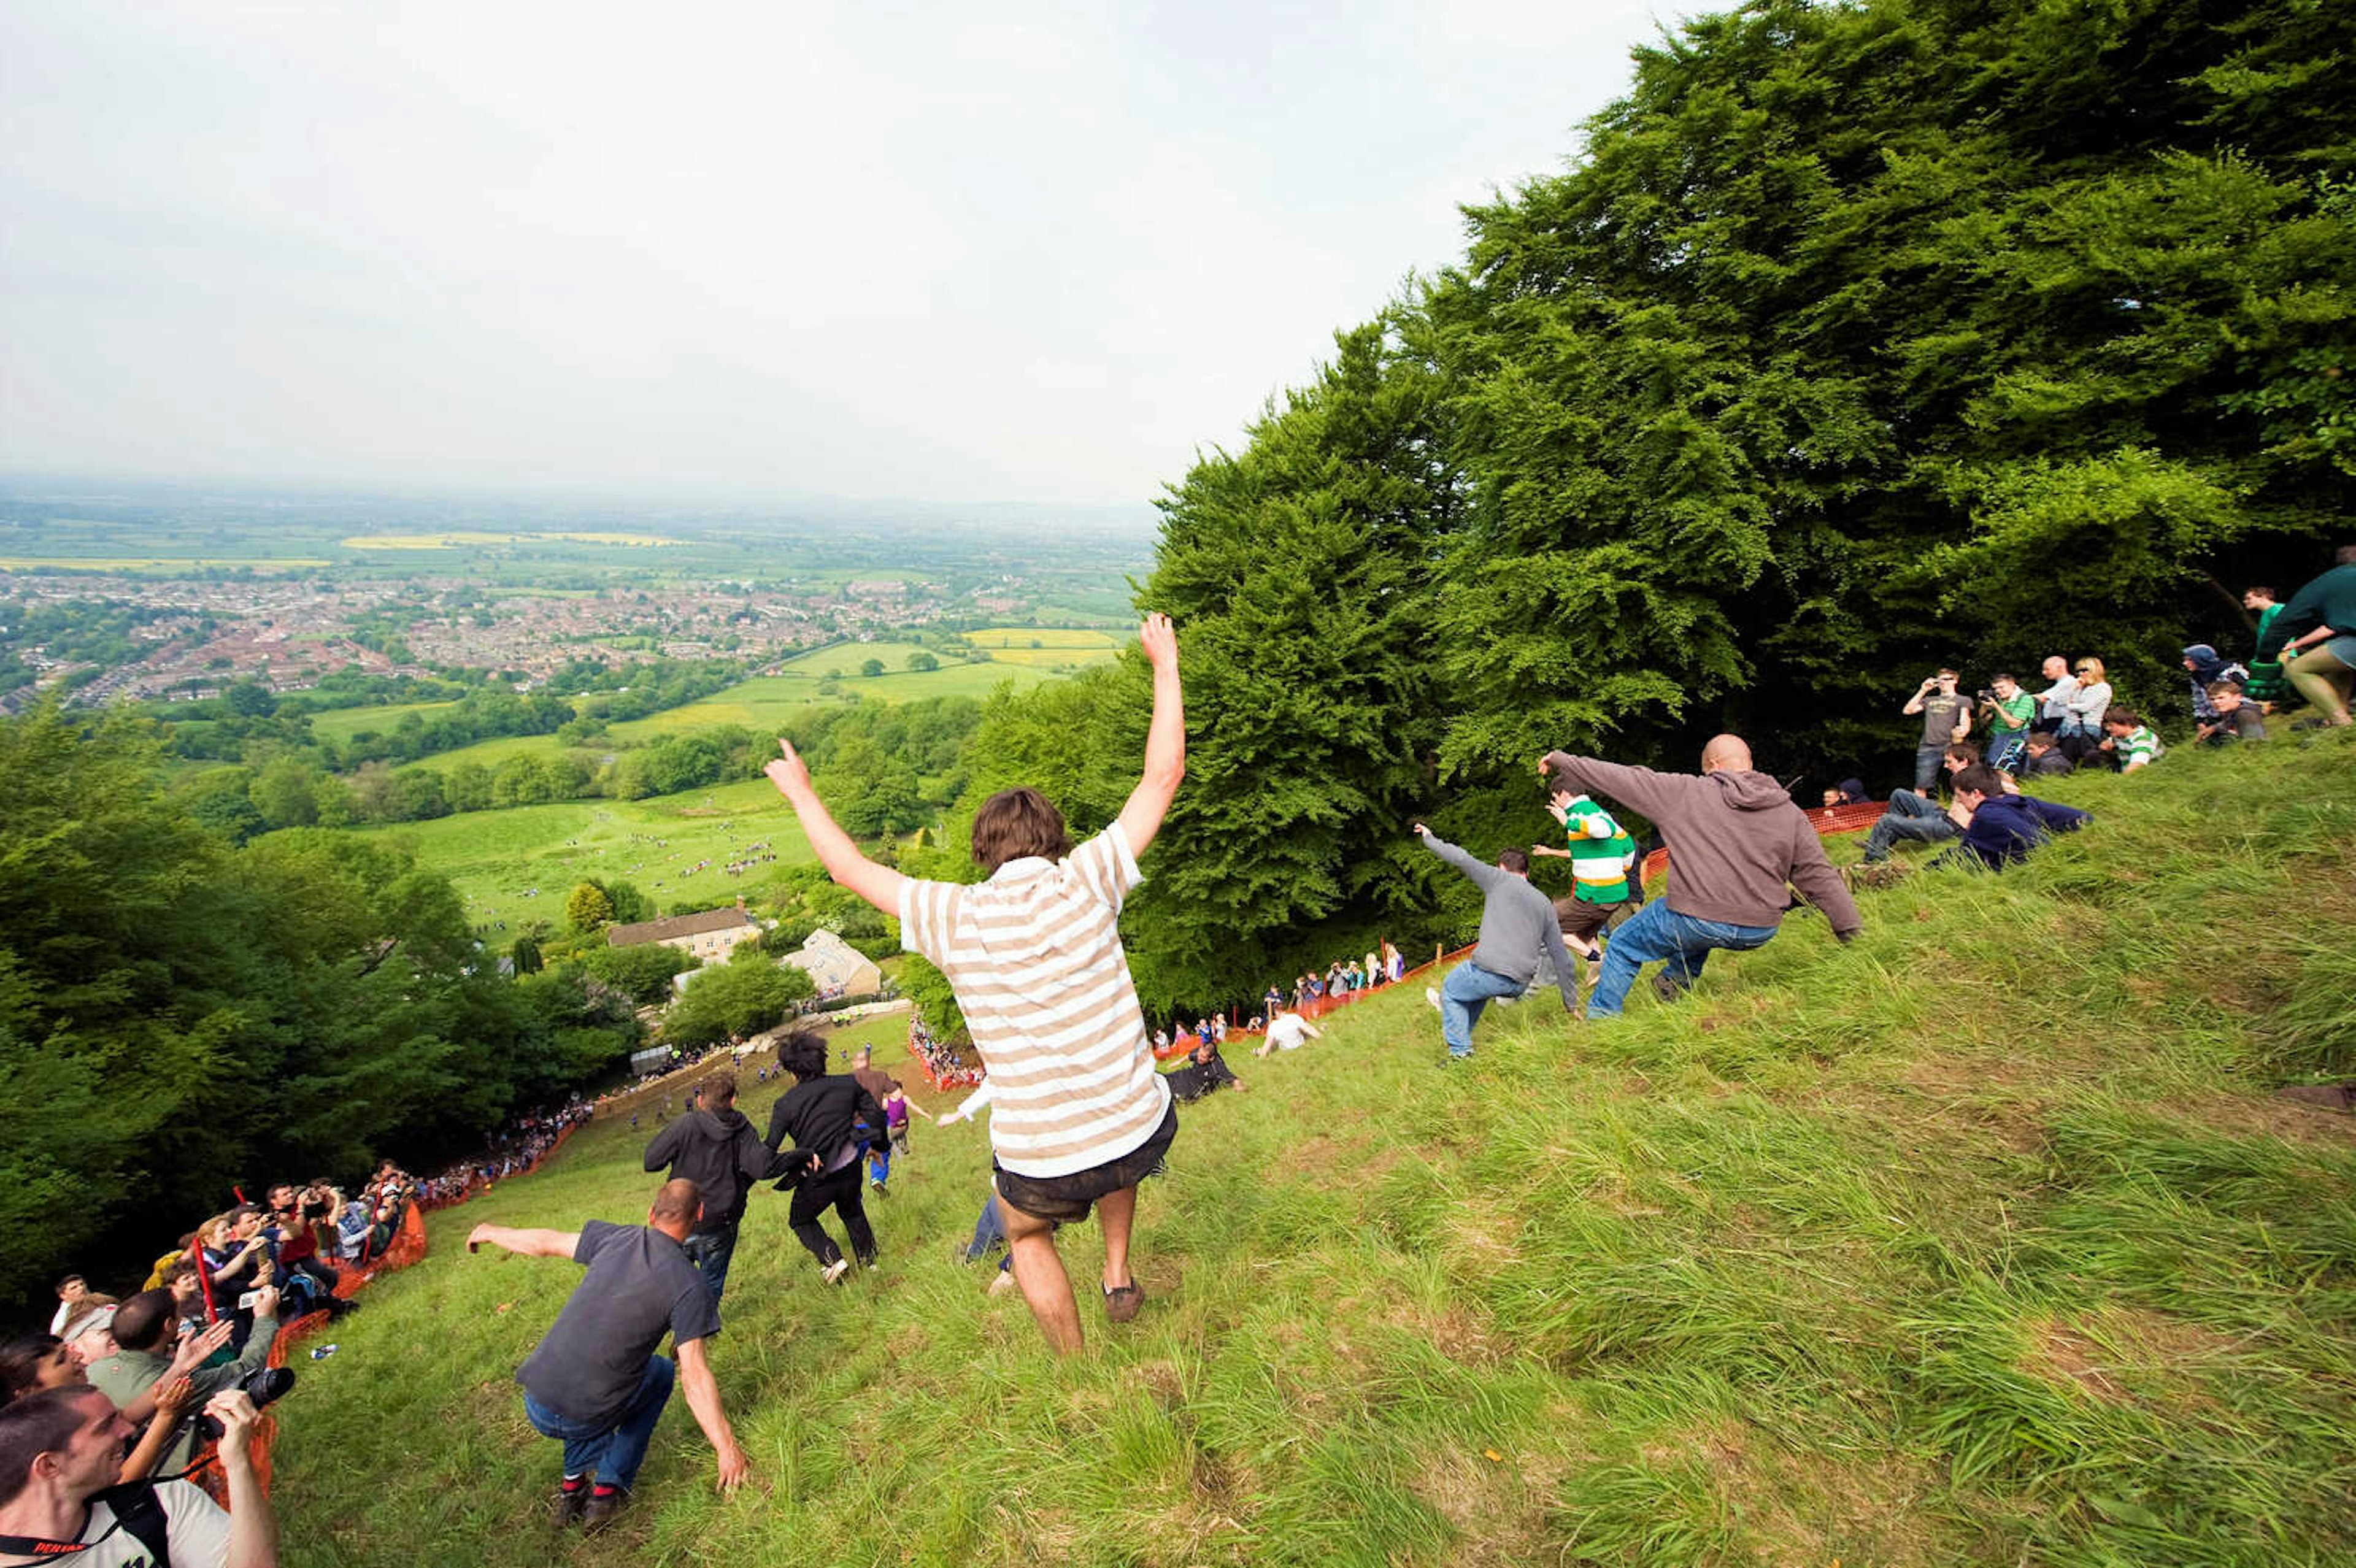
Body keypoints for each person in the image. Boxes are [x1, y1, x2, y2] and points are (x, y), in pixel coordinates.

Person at [763, 613, 1186, 1353]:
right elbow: (1163, 776)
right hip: (1137, 1127)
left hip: (1042, 1158)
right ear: (1053, 839)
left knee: (1023, 1233)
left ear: (984, 853)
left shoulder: (953, 914)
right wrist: (1164, 662)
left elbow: (849, 871)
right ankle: (1119, 1274)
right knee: (1116, 1150)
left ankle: (1078, 1366)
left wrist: (800, 791)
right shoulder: (1092, 877)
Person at [469, 1179, 747, 1531]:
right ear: (700, 1215)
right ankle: (606, 1491)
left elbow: (544, 1243)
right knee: (661, 1374)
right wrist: (726, 1448)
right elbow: (694, 1376)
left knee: (598, 1372)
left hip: (536, 1400)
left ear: (651, 1213)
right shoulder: (690, 1286)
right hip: (580, 1415)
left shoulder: (617, 1237)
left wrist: (491, 1231)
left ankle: (572, 1487)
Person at [1538, 736, 1863, 1017]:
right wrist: (1851, 932)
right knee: (1689, 920)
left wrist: (1564, 761)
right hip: (1761, 928)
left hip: (1700, 917)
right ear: (1749, 763)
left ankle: (1602, 1021)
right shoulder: (1789, 812)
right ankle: (1675, 984)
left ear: (1714, 764)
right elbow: (1820, 877)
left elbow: (1622, 778)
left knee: (1624, 942)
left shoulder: (1686, 792)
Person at [0, 1385, 275, 1568]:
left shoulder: (157, 1505)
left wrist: (238, 1464)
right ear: (49, 1466)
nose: (129, 1429)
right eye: (107, 1425)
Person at [1412, 826, 1578, 1060]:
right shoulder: (1544, 904)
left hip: (1492, 971)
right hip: (1520, 982)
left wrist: (1429, 838)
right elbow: (1561, 956)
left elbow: (1460, 857)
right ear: (1526, 872)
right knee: (1473, 992)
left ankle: (1461, 1054)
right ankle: (1463, 1042)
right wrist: (1571, 1003)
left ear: (1502, 868)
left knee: (1450, 990)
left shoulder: (1497, 879)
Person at [85, 1289, 275, 1475]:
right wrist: (264, 1317)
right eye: (179, 1314)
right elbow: (247, 1368)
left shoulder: (92, 1370)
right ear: (169, 1325)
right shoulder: (180, 1385)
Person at [641, 1072, 787, 1304]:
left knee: (673, 1281)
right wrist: (799, 1156)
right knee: (711, 1282)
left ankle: (678, 1327)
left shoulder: (687, 1123)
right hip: (720, 1221)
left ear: (700, 1100)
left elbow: (651, 1161)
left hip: (680, 1219)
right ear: (732, 1100)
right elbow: (760, 1168)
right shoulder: (742, 1127)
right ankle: (698, 1328)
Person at [763, 1030, 888, 1283]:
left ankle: (832, 1259)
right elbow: (876, 1116)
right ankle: (870, 1261)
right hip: (851, 1168)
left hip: (817, 1176)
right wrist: (878, 1146)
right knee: (852, 1210)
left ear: (791, 1070)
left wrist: (795, 1158)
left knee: (800, 1219)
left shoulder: (785, 1104)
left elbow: (770, 1148)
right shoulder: (848, 1084)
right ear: (823, 1059)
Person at [1530, 778, 1637, 970]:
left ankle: (1596, 959)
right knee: (1585, 935)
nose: (1556, 803)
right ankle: (1597, 970)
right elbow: (1628, 847)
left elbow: (1605, 830)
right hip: (1614, 893)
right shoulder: (1598, 811)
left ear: (1564, 794)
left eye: (1555, 798)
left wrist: (1567, 821)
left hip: (1595, 894)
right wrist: (1618, 869)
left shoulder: (1583, 813)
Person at [2255, 545, 2356, 727]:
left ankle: (2343, 724)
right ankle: (2331, 723)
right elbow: (2334, 627)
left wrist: (2265, 661)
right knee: (2337, 666)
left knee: (2298, 669)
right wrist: (2299, 643)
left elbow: (2282, 625)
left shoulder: (2327, 583)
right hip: (2348, 640)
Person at [1932, 765, 2091, 870]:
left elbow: (1967, 853)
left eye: (1960, 796)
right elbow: (2083, 818)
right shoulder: (2025, 803)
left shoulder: (1986, 815)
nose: (1959, 802)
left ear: (1975, 793)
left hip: (2033, 869)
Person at [1900, 669, 1975, 790]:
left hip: (1951, 745)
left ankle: (1963, 807)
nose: (1943, 682)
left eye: (1947, 679)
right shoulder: (1930, 700)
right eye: (1940, 680)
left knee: (1963, 781)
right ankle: (1920, 808)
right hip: (1928, 745)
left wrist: (1964, 730)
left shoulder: (1963, 700)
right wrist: (1923, 690)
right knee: (1921, 785)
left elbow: (1965, 719)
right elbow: (1908, 711)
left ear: (1955, 681)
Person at [847, 1047, 898, 1194]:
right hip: (876, 1125)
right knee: (881, 1152)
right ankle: (877, 1179)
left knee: (853, 1160)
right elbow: (897, 1095)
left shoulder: (846, 1080)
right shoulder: (880, 1076)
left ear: (854, 1063)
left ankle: (851, 1189)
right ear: (869, 1062)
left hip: (854, 1127)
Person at [1978, 673, 2036, 772]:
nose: (1998, 691)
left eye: (2001, 687)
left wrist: (1996, 706)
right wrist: (1984, 705)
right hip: (1997, 737)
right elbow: (1983, 720)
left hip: (2015, 737)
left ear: (2012, 684)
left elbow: (2014, 724)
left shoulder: (2025, 699)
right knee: (1991, 765)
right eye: (1995, 689)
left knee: (2004, 768)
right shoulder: (1999, 698)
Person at [2060, 658, 2114, 762]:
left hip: (2089, 726)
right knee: (2067, 757)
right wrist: (2075, 689)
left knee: (2089, 758)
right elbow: (2068, 700)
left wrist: (2067, 706)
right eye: (2078, 671)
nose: (2081, 674)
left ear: (2094, 670)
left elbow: (2086, 707)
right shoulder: (2082, 687)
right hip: (2072, 727)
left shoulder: (2103, 688)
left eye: (2084, 670)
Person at [1162, 1036, 1245, 1102]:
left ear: (1211, 1058)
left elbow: (1234, 1079)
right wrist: (1178, 1062)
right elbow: (1190, 1056)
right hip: (1189, 1074)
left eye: (1203, 1057)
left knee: (1171, 1095)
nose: (1199, 1058)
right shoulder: (1201, 1051)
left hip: (1196, 1085)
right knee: (1164, 1079)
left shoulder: (1217, 1066)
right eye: (1199, 1054)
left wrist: (1239, 1087)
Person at [2197, 682, 2268, 744]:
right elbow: (2227, 723)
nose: (2216, 702)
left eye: (2221, 698)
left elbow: (2256, 742)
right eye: (2212, 699)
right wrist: (2214, 728)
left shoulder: (2245, 714)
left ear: (2237, 697)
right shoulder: (2232, 712)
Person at [2098, 706, 2165, 772]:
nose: (2108, 728)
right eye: (2107, 726)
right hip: (2125, 768)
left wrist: (2120, 781)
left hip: (2148, 773)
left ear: (2127, 724)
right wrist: (2106, 745)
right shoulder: (2119, 735)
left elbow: (2138, 765)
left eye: (2111, 725)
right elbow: (2107, 744)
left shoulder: (2143, 739)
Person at [880, 1081, 931, 1166]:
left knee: (890, 1140)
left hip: (895, 1128)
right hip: (905, 1126)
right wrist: (926, 1115)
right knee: (900, 1134)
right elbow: (915, 1107)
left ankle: (900, 1157)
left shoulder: (886, 1102)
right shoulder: (905, 1098)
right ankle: (905, 1148)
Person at [2030, 655, 2078, 736]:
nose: (2044, 673)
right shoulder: (2060, 684)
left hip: (2059, 723)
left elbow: (2042, 698)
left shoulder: (2068, 683)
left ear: (2060, 667)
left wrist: (2017, 697)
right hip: (2053, 722)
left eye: (2047, 669)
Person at [1251, 1009, 1323, 1058]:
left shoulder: (1273, 1025)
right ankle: (1260, 1051)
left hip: (1286, 1049)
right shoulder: (1295, 1017)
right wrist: (1321, 1036)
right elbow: (1308, 1028)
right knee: (1303, 1031)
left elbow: (1268, 1044)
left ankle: (1259, 1051)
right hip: (1300, 1045)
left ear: (1276, 1013)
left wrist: (1261, 1059)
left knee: (1273, 1042)